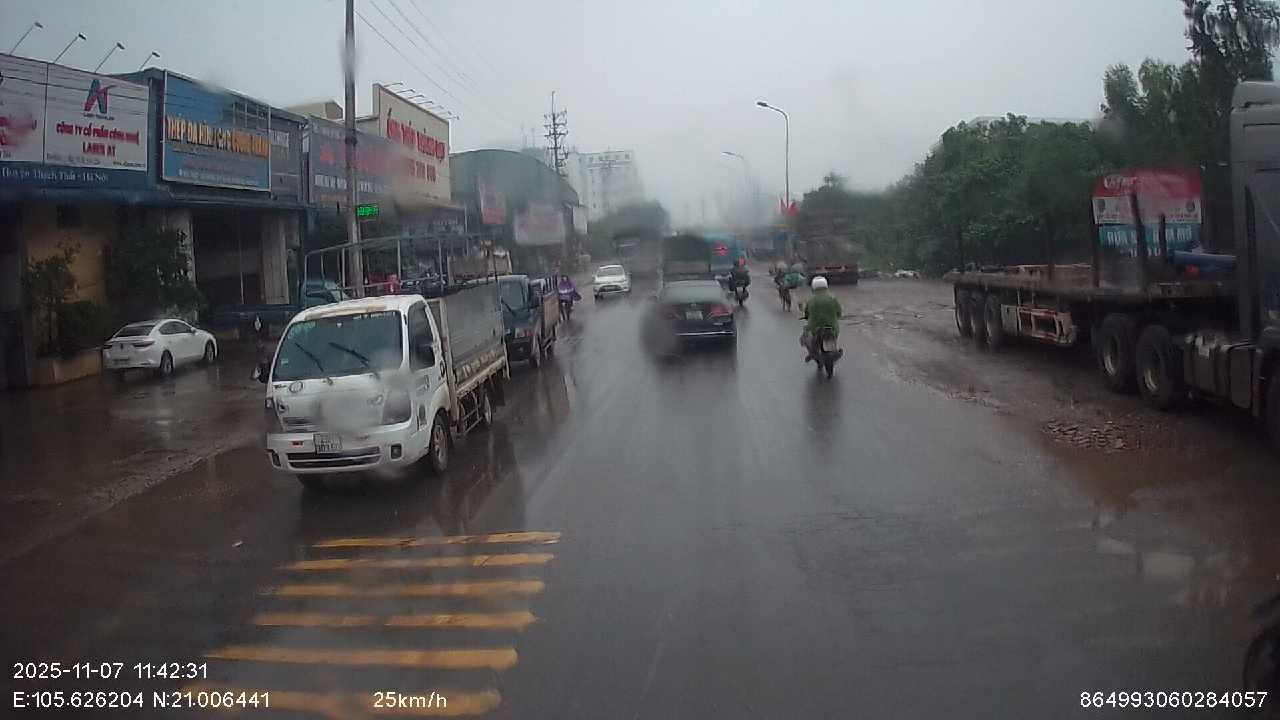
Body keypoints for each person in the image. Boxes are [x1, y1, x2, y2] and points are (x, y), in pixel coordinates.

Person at [800, 276, 842, 362]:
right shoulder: (833, 299)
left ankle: (812, 353)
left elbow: (807, 314)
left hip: (815, 329)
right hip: (833, 329)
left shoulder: (811, 301)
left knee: (805, 334)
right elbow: (839, 314)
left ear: (813, 287)